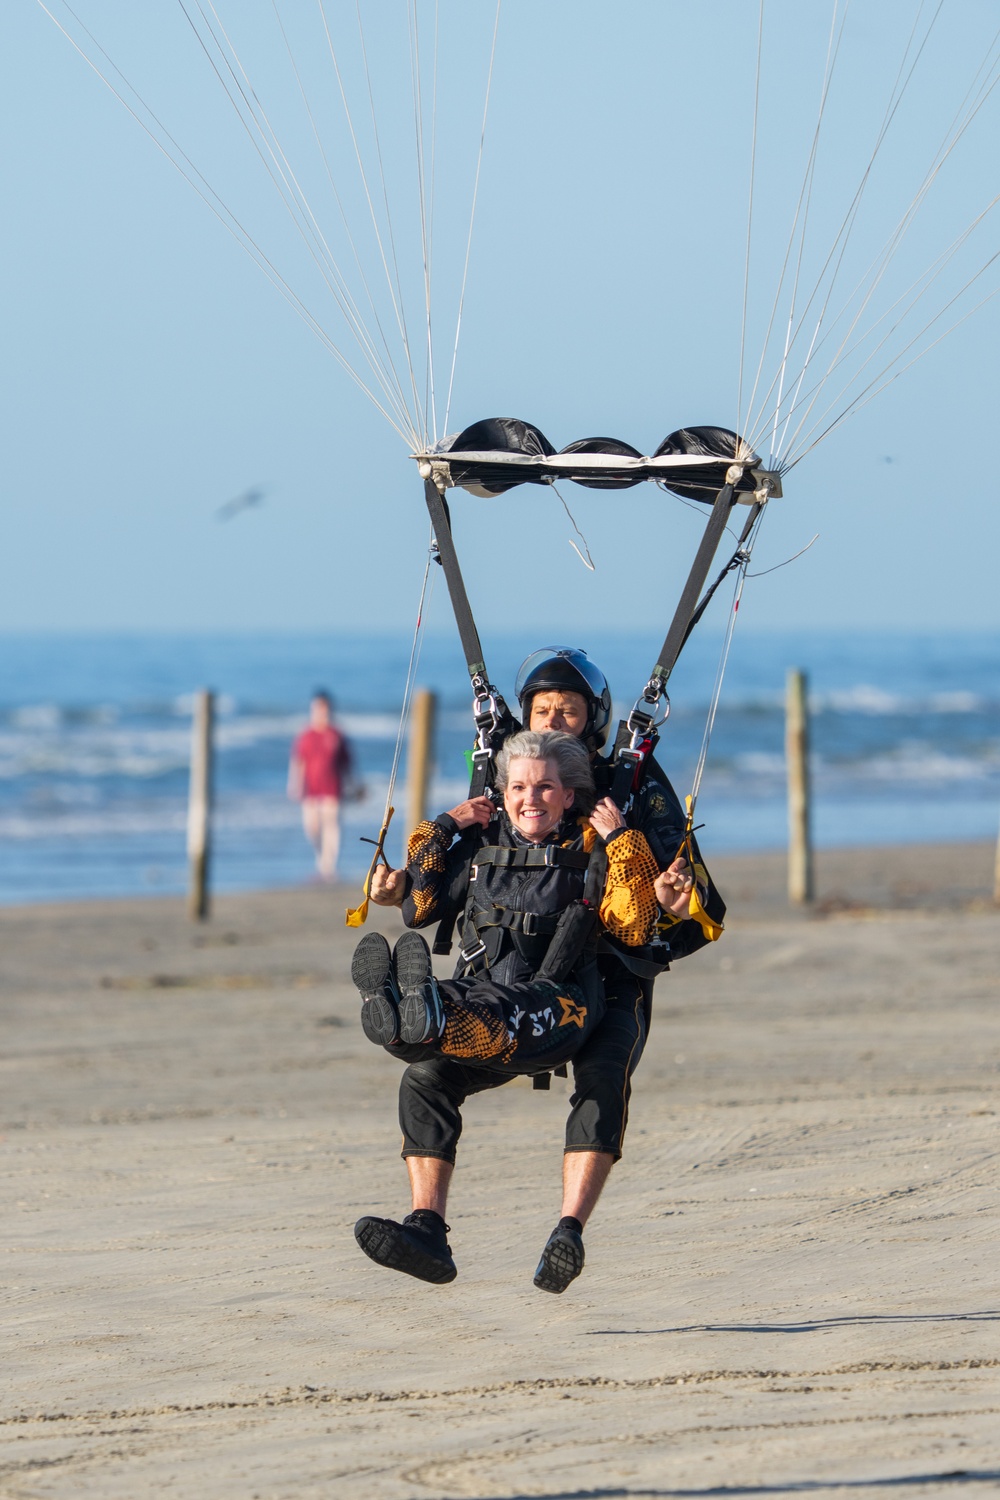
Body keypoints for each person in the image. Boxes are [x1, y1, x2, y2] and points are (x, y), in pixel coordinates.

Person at [352, 729, 689, 1288]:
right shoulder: (480, 853)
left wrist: (624, 838)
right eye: (518, 787)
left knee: (508, 1011)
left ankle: (567, 1230)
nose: (530, 797)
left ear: (567, 795)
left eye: (545, 786)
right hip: (483, 1005)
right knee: (423, 1080)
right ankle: (426, 1231)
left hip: (560, 1013)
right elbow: (419, 906)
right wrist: (445, 826)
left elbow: (632, 924)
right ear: (502, 793)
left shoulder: (596, 852)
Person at [288, 690, 354, 881]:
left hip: (333, 788)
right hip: (311, 789)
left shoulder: (337, 735)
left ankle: (329, 867)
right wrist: (294, 784)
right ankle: (321, 859)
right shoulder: (306, 734)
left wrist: (353, 784)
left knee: (332, 826)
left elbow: (347, 763)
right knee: (312, 827)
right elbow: (298, 761)